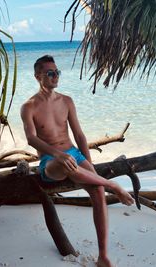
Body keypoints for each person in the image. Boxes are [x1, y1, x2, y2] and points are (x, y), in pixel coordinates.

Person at [21, 55, 134, 267]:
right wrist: (56, 154)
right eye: (50, 73)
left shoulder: (67, 101)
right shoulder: (29, 107)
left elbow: (80, 136)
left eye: (57, 73)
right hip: (50, 160)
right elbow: (31, 138)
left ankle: (103, 256)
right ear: (38, 77)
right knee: (68, 164)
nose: (55, 76)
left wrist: (90, 168)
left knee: (97, 190)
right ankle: (112, 185)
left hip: (75, 154)